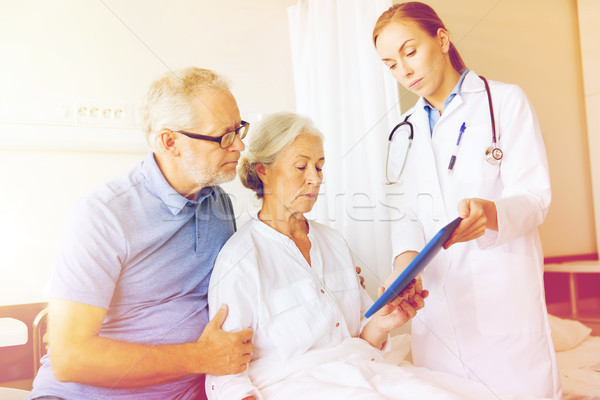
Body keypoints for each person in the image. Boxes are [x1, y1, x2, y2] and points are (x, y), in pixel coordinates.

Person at [204, 112, 544, 400]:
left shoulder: (332, 241)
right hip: (297, 387)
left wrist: (385, 321)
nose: (314, 179)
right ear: (263, 170)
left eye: (320, 167)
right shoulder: (241, 259)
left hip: (361, 372)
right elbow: (226, 377)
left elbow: (360, 336)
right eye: (301, 166)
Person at [30, 67, 255, 400]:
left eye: (239, 130)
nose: (238, 146)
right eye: (223, 136)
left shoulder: (217, 201)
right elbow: (70, 357)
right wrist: (201, 356)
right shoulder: (105, 214)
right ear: (170, 142)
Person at [372, 2, 560, 399]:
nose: (403, 71)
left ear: (441, 39)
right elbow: (405, 212)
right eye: (390, 64)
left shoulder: (505, 102)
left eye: (409, 52)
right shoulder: (403, 131)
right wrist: (406, 266)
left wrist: (491, 214)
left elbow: (533, 197)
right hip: (436, 303)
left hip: (501, 292)